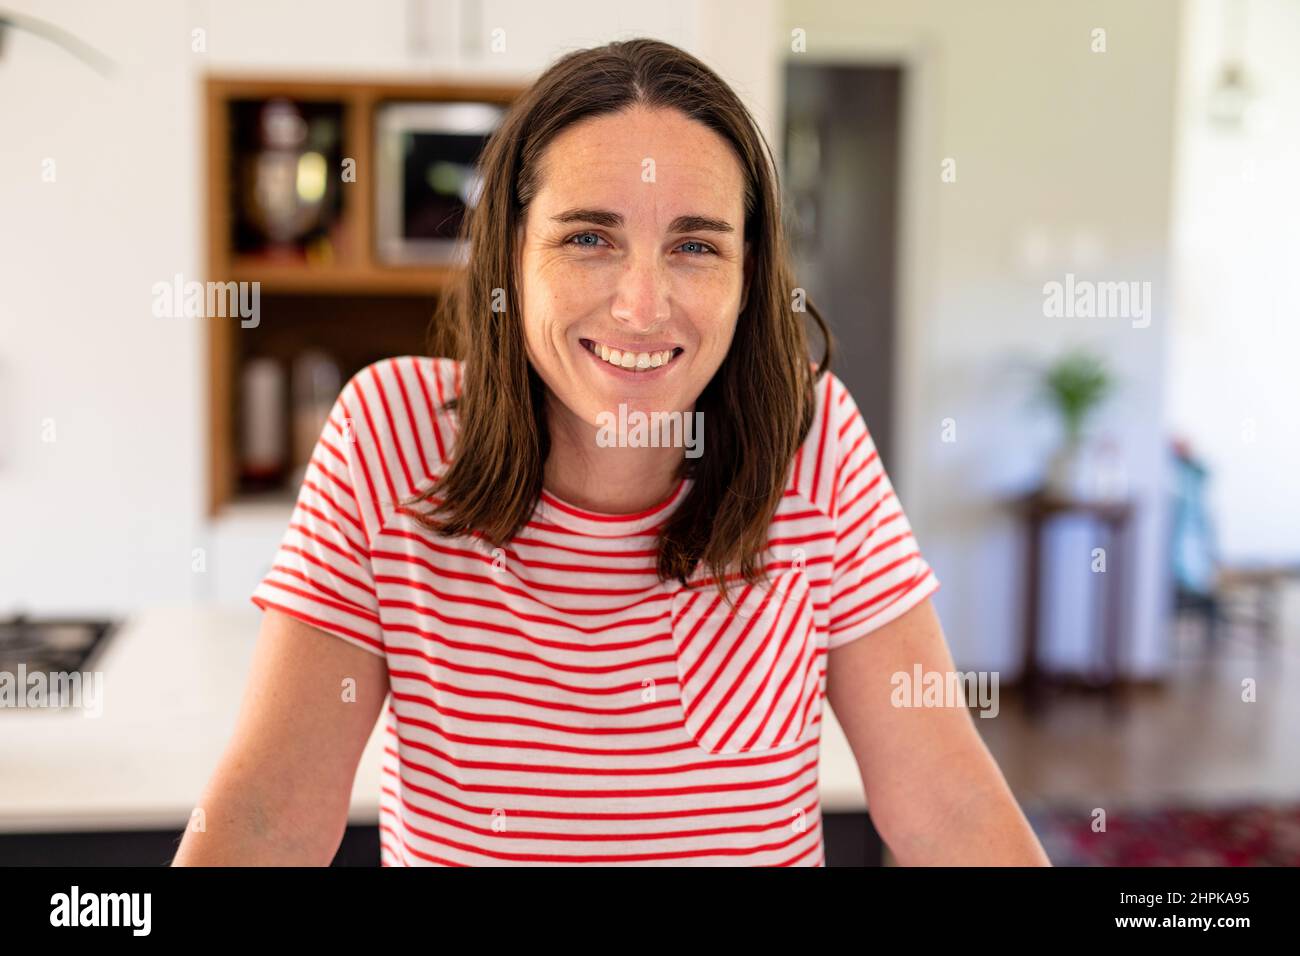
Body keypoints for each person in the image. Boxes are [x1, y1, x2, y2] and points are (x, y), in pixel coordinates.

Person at [174, 37, 1049, 867]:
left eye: (695, 246)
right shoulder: (387, 439)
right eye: (588, 237)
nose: (641, 304)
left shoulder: (812, 444)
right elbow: (269, 819)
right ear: (511, 259)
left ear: (751, 279)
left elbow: (947, 803)